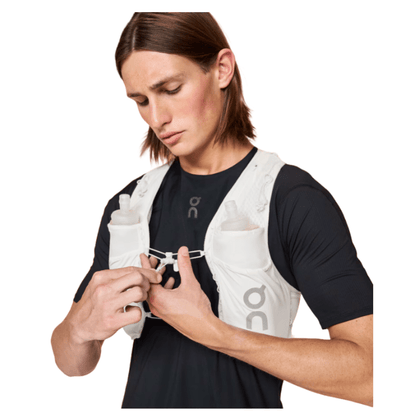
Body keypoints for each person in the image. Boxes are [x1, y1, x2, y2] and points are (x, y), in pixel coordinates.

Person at [51, 12, 373, 408]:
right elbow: (71, 363)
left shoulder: (291, 199)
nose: (157, 118)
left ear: (222, 69)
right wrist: (78, 329)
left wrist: (215, 333)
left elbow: (374, 375)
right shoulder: (131, 204)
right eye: (141, 101)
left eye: (171, 89)